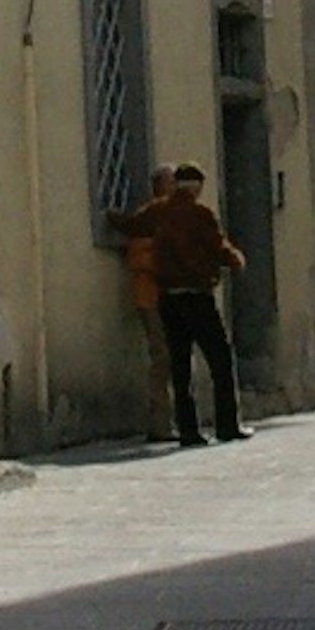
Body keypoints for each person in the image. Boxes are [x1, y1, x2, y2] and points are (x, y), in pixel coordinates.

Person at [122, 163, 244, 445]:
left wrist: (112, 216)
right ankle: (227, 425)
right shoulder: (201, 214)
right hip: (196, 293)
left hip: (168, 297)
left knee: (180, 364)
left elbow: (132, 225)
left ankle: (188, 431)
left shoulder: (158, 211)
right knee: (220, 359)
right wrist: (236, 259)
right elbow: (218, 247)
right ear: (197, 186)